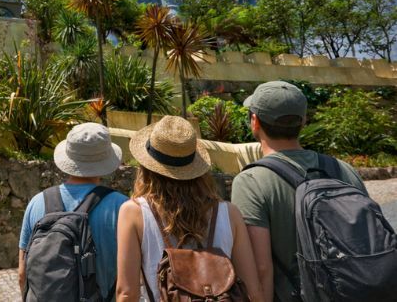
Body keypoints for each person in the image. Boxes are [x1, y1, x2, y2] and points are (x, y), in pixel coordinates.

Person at [231, 81, 367, 302]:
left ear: (254, 122)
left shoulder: (251, 182)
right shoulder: (343, 169)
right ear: (303, 121)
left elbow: (261, 269)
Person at [116, 116, 264, 302]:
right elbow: (253, 291)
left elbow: (127, 293)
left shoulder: (134, 212)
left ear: (147, 167)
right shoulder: (229, 213)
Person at [18, 122, 129, 300]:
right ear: (106, 160)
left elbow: (23, 274)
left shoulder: (37, 203)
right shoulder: (123, 207)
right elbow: (127, 286)